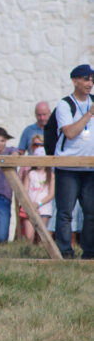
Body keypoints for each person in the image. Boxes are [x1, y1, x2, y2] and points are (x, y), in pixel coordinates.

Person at [53, 63, 94, 260]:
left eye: (92, 79)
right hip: (68, 167)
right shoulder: (64, 104)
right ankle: (64, 252)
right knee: (65, 212)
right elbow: (69, 132)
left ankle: (89, 253)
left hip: (90, 166)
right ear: (75, 80)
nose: (90, 83)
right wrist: (89, 114)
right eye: (86, 79)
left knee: (91, 212)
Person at [18, 134, 53, 244]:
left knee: (41, 236)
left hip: (44, 208)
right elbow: (25, 190)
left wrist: (39, 204)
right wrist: (29, 203)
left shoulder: (50, 174)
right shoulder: (30, 173)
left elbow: (51, 194)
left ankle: (40, 257)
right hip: (30, 206)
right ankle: (29, 255)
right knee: (29, 236)